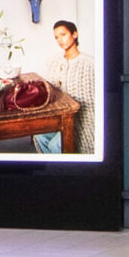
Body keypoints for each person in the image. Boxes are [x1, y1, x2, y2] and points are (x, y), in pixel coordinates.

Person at [51, 20, 96, 156]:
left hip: (83, 119)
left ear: (74, 34)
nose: (60, 40)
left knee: (54, 145)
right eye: (56, 37)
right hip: (60, 117)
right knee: (39, 136)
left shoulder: (90, 64)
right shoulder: (54, 62)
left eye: (63, 34)